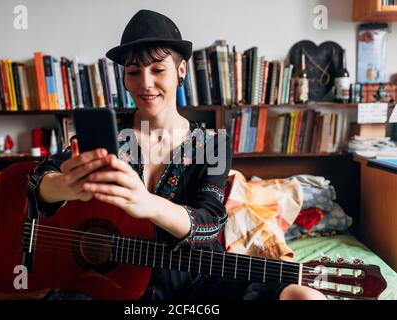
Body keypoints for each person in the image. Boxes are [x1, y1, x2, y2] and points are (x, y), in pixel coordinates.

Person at [27, 9, 325, 300]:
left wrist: (145, 203)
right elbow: (36, 181)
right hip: (112, 278)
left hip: (197, 279)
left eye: (158, 69)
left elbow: (209, 223)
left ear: (181, 71)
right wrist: (67, 186)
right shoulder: (108, 138)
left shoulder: (213, 144)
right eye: (134, 72)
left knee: (305, 295)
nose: (145, 83)